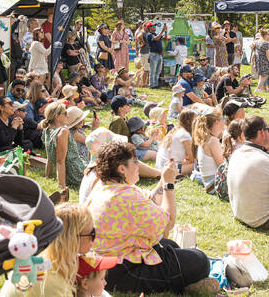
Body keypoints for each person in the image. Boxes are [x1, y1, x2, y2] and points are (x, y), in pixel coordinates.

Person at [88, 141, 213, 294]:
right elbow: (169, 222)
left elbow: (150, 201)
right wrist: (168, 184)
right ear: (122, 169)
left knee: (170, 245)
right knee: (200, 261)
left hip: (110, 265)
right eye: (135, 162)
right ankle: (189, 284)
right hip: (122, 272)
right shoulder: (125, 196)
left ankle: (185, 283)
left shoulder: (105, 186)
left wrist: (162, 179)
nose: (138, 166)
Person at [0, 203, 100, 297]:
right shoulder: (53, 281)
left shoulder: (45, 256)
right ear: (72, 239)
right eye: (92, 233)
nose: (94, 239)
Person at [226, 115, 269, 229]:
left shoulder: (236, 154)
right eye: (268, 130)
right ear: (262, 133)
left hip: (241, 214)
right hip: (264, 219)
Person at [42, 102, 88, 190]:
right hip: (77, 173)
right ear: (57, 117)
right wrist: (62, 187)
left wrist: (47, 177)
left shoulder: (47, 130)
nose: (67, 116)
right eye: (65, 113)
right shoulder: (63, 132)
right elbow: (60, 161)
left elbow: (49, 158)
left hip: (71, 173)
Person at [154, 109, 196, 175]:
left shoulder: (176, 130)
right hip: (168, 169)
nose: (198, 122)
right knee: (198, 165)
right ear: (188, 122)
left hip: (161, 166)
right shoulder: (185, 135)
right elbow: (193, 159)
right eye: (196, 120)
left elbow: (187, 157)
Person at [192, 110, 225, 187]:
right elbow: (222, 167)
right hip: (215, 184)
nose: (225, 121)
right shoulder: (212, 141)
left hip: (209, 183)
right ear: (217, 122)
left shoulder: (206, 138)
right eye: (223, 118)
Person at [146, 22, 166, 88]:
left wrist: (165, 31)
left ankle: (156, 84)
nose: (154, 27)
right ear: (149, 28)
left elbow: (165, 38)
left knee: (158, 71)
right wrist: (162, 30)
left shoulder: (156, 34)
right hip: (153, 54)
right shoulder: (149, 35)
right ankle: (151, 85)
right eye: (153, 26)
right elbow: (156, 38)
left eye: (155, 26)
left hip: (159, 54)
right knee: (153, 71)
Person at [134, 21, 149, 87]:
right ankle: (143, 84)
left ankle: (144, 83)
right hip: (144, 52)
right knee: (145, 69)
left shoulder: (145, 32)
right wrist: (142, 42)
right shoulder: (142, 32)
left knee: (145, 69)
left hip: (145, 52)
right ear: (144, 26)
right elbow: (138, 37)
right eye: (147, 26)